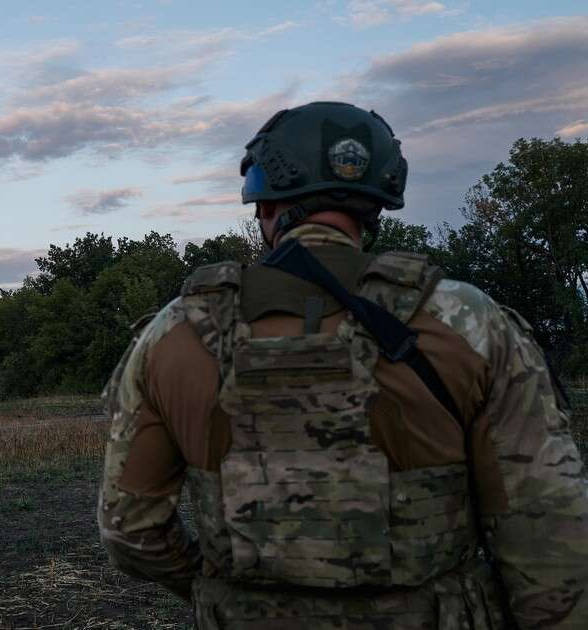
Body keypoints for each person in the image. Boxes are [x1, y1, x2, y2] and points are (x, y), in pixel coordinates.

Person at [97, 101, 588, 629]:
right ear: (375, 205)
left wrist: (215, 591)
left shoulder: (175, 333)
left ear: (265, 206)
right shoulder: (466, 321)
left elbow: (130, 530)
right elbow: (549, 534)